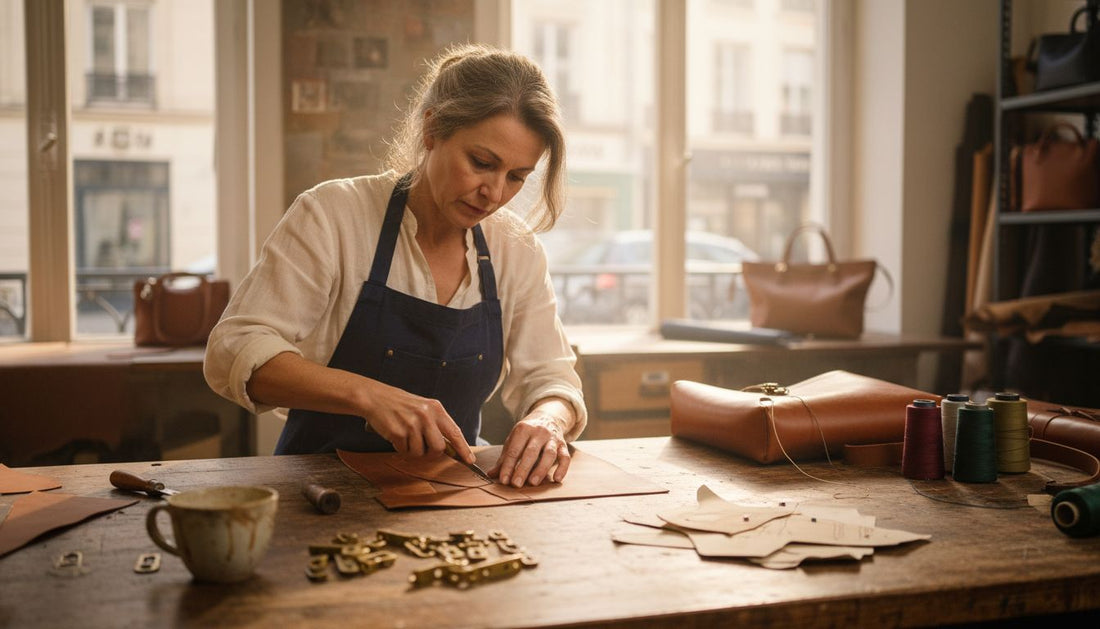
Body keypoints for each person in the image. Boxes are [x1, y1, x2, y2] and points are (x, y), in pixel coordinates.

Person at [204, 44, 586, 488]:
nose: (495, 193)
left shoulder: (515, 248)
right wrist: (368, 395)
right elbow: (234, 347)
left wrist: (548, 420)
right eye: (482, 163)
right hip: (317, 493)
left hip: (450, 493)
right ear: (431, 129)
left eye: (517, 176)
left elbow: (552, 377)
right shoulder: (332, 214)